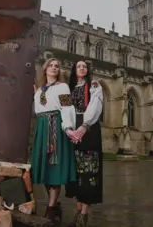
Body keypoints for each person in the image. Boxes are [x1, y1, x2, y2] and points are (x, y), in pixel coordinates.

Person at [31, 58, 77, 222]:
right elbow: (38, 108)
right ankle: (55, 203)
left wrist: (68, 128)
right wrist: (36, 93)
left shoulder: (63, 87)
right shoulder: (39, 90)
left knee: (54, 166)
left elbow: (67, 107)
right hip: (42, 126)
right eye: (51, 65)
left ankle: (51, 208)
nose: (54, 68)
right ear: (45, 69)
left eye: (57, 66)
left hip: (55, 126)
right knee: (42, 165)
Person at [65, 60, 104, 227]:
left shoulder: (94, 85)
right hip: (73, 128)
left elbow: (95, 105)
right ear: (74, 69)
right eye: (79, 66)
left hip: (89, 128)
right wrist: (69, 129)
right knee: (76, 171)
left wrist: (84, 126)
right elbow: (65, 109)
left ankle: (84, 215)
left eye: (85, 66)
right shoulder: (68, 90)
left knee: (89, 169)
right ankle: (77, 209)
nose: (82, 68)